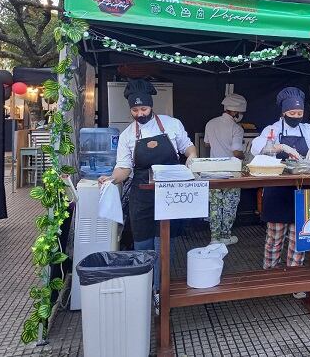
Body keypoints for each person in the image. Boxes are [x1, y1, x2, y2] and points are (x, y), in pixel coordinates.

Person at [98, 79, 197, 299]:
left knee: (164, 242)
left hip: (169, 192)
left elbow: (187, 146)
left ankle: (161, 289)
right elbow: (124, 168)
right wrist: (112, 179)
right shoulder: (127, 135)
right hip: (142, 194)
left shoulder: (171, 124)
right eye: (135, 110)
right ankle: (144, 289)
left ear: (151, 106)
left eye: (144, 108)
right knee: (142, 241)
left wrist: (192, 156)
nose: (140, 113)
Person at [250, 87, 310, 293]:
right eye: (292, 114)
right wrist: (280, 147)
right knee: (274, 238)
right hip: (277, 189)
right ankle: (270, 278)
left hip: (304, 189)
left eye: (299, 114)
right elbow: (256, 146)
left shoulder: (307, 130)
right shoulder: (273, 128)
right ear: (283, 113)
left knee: (299, 238)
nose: (296, 117)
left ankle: (295, 279)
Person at [204, 93, 247, 245]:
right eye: (240, 113)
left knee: (215, 205)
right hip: (231, 172)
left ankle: (214, 238)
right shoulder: (237, 128)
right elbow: (236, 151)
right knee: (230, 204)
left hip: (212, 171)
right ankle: (226, 236)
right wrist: (244, 155)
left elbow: (207, 144)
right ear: (235, 112)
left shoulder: (210, 123)